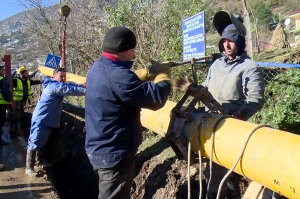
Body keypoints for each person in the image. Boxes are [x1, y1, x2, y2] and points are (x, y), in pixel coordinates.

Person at [174, 23, 264, 199]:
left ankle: (215, 194)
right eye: (224, 41)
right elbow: (206, 91)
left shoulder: (249, 67)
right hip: (207, 123)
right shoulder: (216, 64)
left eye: (231, 41)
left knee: (214, 176)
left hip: (227, 127)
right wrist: (193, 89)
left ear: (239, 42)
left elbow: (255, 100)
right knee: (210, 167)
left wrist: (237, 116)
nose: (227, 45)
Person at [85, 26, 174, 199]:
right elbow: (156, 98)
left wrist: (142, 74)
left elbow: (118, 84)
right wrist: (163, 75)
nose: (133, 56)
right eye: (132, 51)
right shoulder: (119, 76)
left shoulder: (97, 68)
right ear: (124, 50)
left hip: (99, 149)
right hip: (114, 154)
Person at [25, 67, 86, 177]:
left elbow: (71, 86)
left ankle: (39, 160)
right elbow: (69, 90)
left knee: (43, 140)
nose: (63, 78)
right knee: (35, 140)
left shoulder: (57, 85)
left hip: (48, 119)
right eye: (60, 76)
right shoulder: (53, 86)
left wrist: (83, 86)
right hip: (42, 118)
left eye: (64, 76)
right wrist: (89, 89)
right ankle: (29, 167)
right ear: (54, 77)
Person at [10, 66, 42, 138]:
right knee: (15, 116)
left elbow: (36, 82)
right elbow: (10, 87)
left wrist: (44, 81)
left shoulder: (28, 81)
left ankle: (17, 130)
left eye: (27, 73)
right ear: (21, 74)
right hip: (16, 101)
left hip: (23, 101)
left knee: (19, 116)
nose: (27, 74)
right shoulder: (16, 80)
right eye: (25, 73)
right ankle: (13, 131)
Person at [0, 65, 13, 145]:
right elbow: (5, 92)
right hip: (1, 104)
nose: (4, 70)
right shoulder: (2, 80)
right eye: (3, 69)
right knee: (0, 122)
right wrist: (10, 100)